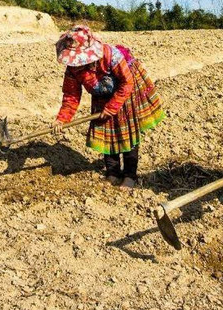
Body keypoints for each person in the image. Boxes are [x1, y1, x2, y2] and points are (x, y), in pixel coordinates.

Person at [53, 25, 165, 188]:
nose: (77, 64)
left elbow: (127, 83)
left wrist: (112, 106)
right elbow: (71, 96)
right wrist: (61, 119)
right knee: (107, 133)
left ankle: (130, 175)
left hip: (124, 93)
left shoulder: (111, 55)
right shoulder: (72, 69)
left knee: (127, 134)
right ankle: (112, 172)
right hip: (100, 96)